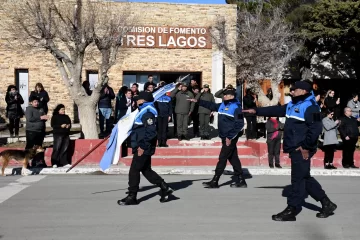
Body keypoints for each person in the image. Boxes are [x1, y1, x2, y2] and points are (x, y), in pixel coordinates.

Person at [243, 80, 337, 221]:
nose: (291, 91)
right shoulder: (293, 104)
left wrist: (305, 146)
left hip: (302, 148)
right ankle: (327, 203)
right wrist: (256, 111)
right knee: (305, 177)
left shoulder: (312, 107)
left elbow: (316, 128)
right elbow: (276, 110)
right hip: (296, 147)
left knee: (297, 179)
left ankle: (291, 210)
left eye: (294, 89)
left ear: (304, 91)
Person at [118, 91, 173, 206]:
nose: (136, 100)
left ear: (143, 100)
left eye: (138, 99)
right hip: (143, 145)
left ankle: (132, 196)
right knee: (146, 169)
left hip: (143, 146)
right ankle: (165, 187)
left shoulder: (147, 112)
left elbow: (151, 132)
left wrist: (142, 146)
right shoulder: (143, 110)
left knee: (134, 170)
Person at [188, 89, 247, 188]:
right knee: (233, 158)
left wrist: (230, 137)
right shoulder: (222, 105)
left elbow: (240, 124)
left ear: (232, 96)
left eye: (226, 95)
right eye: (224, 95)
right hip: (224, 136)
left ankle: (215, 181)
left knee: (222, 158)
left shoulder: (237, 107)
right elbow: (211, 105)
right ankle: (241, 181)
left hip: (230, 137)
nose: (224, 96)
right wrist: (198, 101)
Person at [155, 82, 173, 147]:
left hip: (166, 115)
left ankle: (164, 142)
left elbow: (170, 107)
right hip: (158, 115)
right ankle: (159, 142)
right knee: (159, 129)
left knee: (165, 129)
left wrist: (170, 115)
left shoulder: (168, 98)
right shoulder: (156, 98)